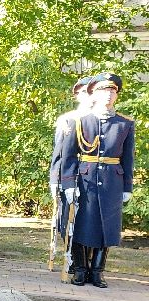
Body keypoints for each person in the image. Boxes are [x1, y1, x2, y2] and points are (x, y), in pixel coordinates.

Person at [54, 73, 134, 288]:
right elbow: (69, 156)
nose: (108, 95)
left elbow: (128, 158)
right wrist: (69, 184)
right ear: (94, 94)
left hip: (112, 181)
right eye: (104, 90)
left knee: (106, 226)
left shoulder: (125, 124)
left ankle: (97, 271)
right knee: (82, 224)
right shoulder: (79, 122)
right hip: (85, 179)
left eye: (113, 91)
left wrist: (127, 186)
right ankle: (80, 270)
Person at [49, 76, 94, 273]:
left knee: (92, 221)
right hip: (72, 178)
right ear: (77, 95)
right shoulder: (68, 119)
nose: (89, 96)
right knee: (67, 221)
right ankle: (75, 261)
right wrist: (55, 180)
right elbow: (60, 153)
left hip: (93, 180)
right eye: (84, 92)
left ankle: (88, 263)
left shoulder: (101, 119)